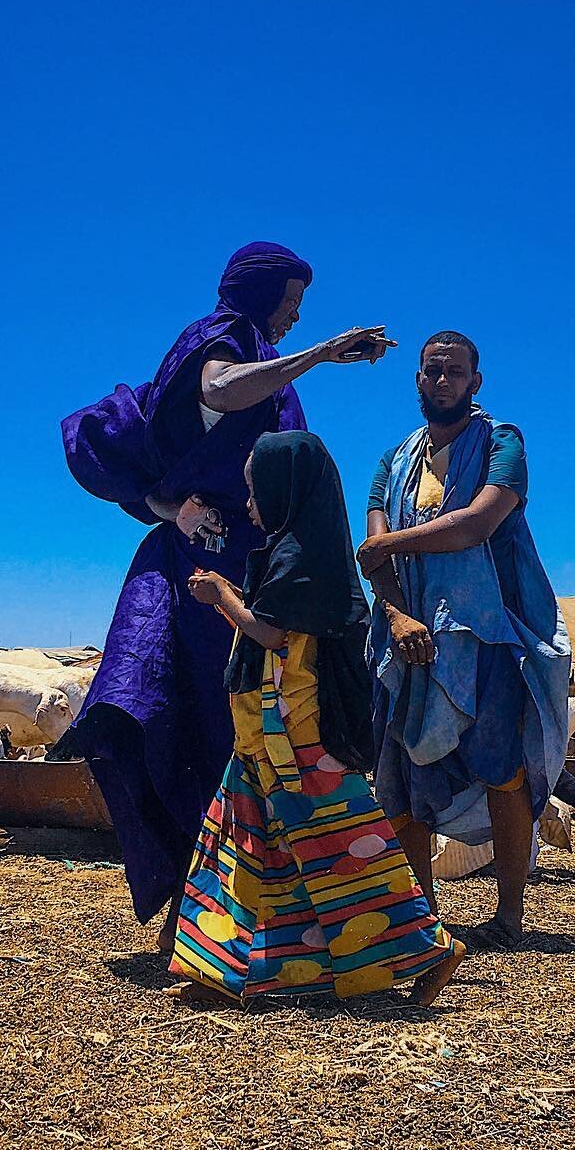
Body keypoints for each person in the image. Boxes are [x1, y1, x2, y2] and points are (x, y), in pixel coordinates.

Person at [53, 242, 394, 944]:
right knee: (183, 719)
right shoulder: (221, 345)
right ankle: (213, 912)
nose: (294, 321)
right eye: (290, 307)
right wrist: (171, 508)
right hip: (198, 573)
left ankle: (253, 917)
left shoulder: (257, 363)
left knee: (246, 737)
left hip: (250, 566)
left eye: (302, 314)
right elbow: (218, 389)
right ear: (260, 296)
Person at [171, 430, 463, 1005]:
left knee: (345, 847)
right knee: (259, 847)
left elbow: (272, 633)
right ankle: (248, 964)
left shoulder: (302, 558)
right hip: (265, 736)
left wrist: (222, 597)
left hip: (297, 739)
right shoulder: (295, 551)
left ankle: (426, 945)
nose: (249, 504)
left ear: (287, 489)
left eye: (257, 492)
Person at [358, 331, 572, 949]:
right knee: (400, 777)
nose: (442, 380)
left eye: (455, 371)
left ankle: (508, 915)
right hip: (408, 641)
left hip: (486, 635)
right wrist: (397, 617)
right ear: (418, 381)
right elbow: (374, 562)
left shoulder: (503, 442)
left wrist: (392, 544)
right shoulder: (391, 464)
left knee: (501, 768)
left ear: (476, 381)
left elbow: (479, 521)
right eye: (432, 371)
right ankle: (419, 920)